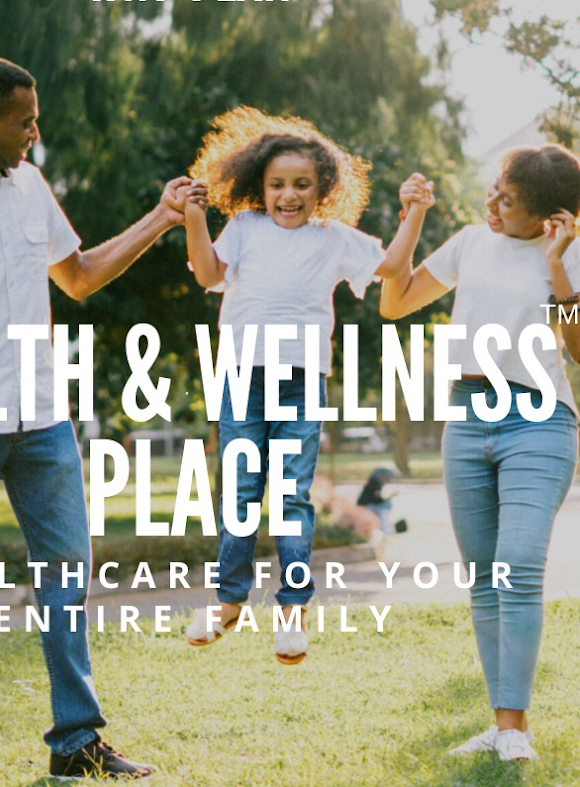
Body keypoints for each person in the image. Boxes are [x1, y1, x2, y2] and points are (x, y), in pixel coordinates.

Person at [0, 56, 205, 786]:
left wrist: (162, 215)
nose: (35, 131)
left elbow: (78, 274)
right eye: (26, 119)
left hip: (42, 421)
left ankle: (76, 741)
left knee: (67, 578)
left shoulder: (28, 188)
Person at [177, 106, 428, 664]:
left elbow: (390, 265)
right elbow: (208, 274)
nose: (288, 196)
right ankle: (228, 600)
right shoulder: (245, 228)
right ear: (259, 187)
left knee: (291, 496)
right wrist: (195, 218)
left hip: (301, 383)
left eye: (301, 185)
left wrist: (413, 213)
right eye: (277, 185)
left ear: (323, 189)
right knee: (241, 494)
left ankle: (292, 611)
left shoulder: (334, 238)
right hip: (242, 379)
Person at [380, 145, 580, 761]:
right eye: (495, 188)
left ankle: (514, 728)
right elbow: (395, 302)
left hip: (539, 418)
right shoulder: (469, 241)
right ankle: (501, 724)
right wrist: (412, 217)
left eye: (508, 200)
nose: (492, 203)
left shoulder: (569, 256)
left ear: (550, 217)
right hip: (466, 419)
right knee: (484, 580)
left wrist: (557, 266)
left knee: (517, 564)